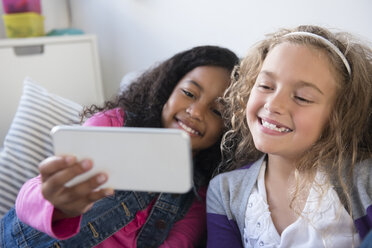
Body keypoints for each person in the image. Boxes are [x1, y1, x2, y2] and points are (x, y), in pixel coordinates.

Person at [0, 45, 239, 247]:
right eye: (189, 93)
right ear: (168, 90)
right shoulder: (114, 124)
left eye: (217, 111)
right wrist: (55, 202)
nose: (195, 112)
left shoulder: (199, 199)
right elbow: (32, 195)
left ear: (227, 127)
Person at [206, 25, 372, 247]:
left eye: (302, 97)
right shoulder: (225, 192)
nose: (273, 104)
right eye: (265, 85)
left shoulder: (364, 180)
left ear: (338, 116)